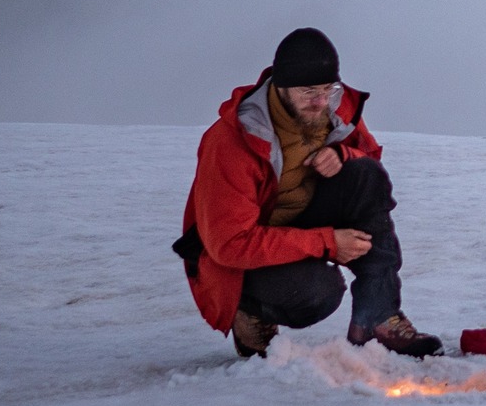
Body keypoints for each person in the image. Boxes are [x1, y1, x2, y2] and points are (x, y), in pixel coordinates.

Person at [174, 27, 442, 359]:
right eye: (308, 91)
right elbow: (230, 245)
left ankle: (377, 318)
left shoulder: (333, 110)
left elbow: (369, 158)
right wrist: (328, 242)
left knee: (365, 175)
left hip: (297, 222)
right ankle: (250, 312)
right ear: (281, 87)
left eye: (329, 89)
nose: (320, 101)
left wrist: (344, 156)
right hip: (237, 261)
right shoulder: (232, 141)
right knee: (318, 291)